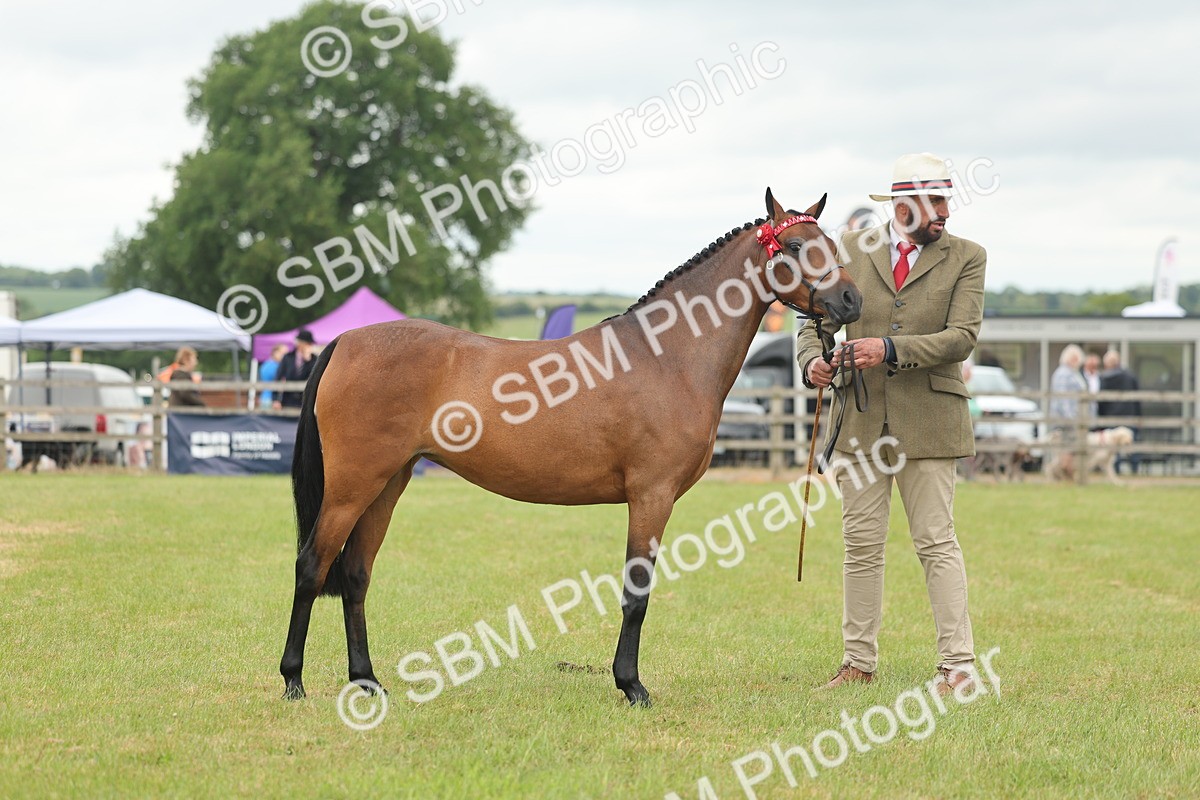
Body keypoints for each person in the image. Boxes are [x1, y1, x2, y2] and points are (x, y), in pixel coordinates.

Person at [797, 152, 986, 696]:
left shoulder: (968, 257)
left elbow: (961, 338)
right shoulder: (852, 251)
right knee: (860, 546)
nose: (945, 212)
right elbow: (816, 320)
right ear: (904, 206)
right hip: (859, 419)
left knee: (935, 542)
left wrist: (889, 347)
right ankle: (857, 663)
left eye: (947, 200)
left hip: (930, 419)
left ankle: (957, 667)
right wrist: (813, 359)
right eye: (935, 202)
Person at [1098, 350, 1141, 474]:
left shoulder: (1104, 378)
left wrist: (1101, 419)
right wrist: (1138, 416)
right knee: (1132, 444)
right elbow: (1137, 398)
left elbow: (1102, 401)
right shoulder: (1130, 376)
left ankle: (1115, 470)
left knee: (1113, 446)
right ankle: (1135, 470)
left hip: (1111, 417)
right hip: (1130, 416)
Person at [1049, 344, 1087, 478]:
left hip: (1073, 419)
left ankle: (1067, 477)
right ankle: (1059, 476)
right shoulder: (1064, 374)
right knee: (1066, 451)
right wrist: (1070, 418)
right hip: (1065, 421)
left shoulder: (1071, 373)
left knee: (1071, 450)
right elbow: (1063, 397)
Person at [274, 330, 317, 409]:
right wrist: (276, 399)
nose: (309, 346)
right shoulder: (288, 357)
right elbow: (278, 377)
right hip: (288, 400)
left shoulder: (314, 359)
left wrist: (308, 361)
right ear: (300, 344)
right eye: (308, 343)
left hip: (305, 401)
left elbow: (314, 378)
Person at [258, 344, 288, 409]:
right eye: (283, 354)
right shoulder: (277, 367)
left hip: (264, 398)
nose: (286, 357)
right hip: (273, 400)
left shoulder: (265, 365)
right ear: (276, 353)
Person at [1082, 352, 1102, 426]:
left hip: (1097, 410)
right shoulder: (1080, 376)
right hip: (1084, 410)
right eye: (1090, 365)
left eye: (1094, 366)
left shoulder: (1100, 377)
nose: (1092, 368)